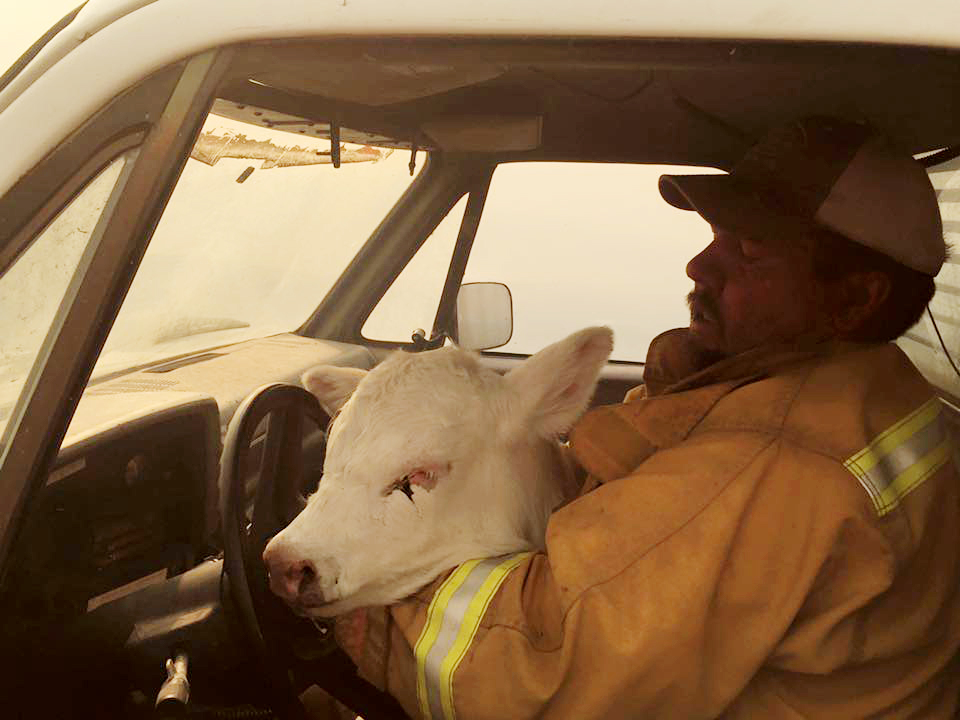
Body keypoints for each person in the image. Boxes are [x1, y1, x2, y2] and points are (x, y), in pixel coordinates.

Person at [334, 117, 960, 718]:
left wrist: (356, 587)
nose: (699, 266)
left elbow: (535, 674)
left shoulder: (773, 457)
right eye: (715, 236)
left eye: (749, 251)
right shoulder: (864, 387)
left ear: (856, 297)